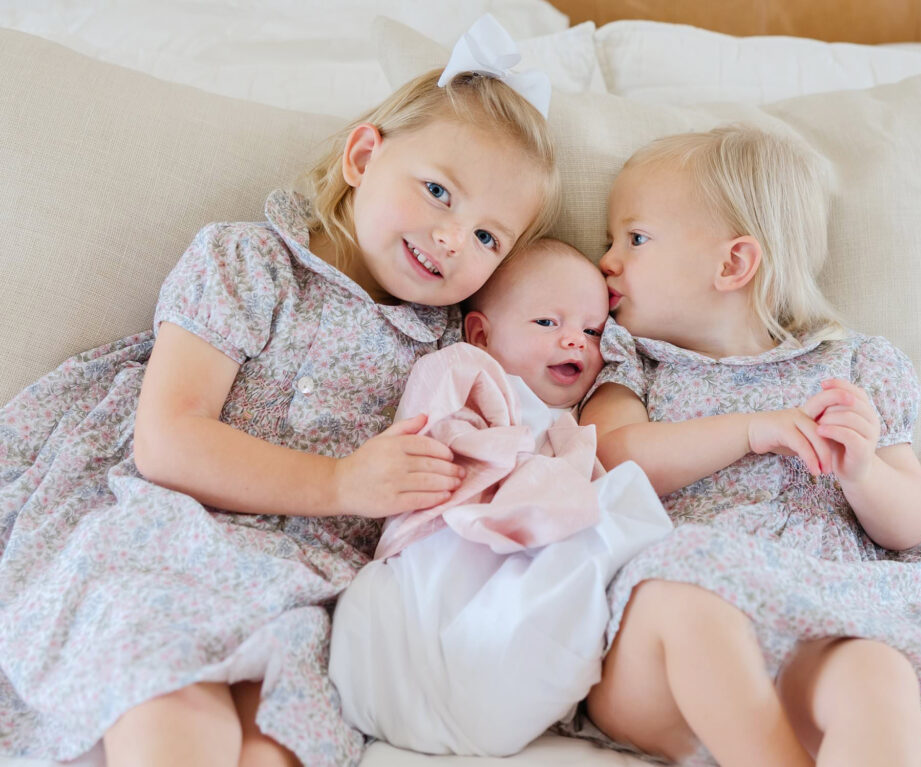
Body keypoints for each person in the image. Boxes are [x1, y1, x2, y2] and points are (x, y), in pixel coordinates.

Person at [0, 17, 561, 767]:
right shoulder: (251, 263)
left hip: (307, 580)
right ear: (364, 156)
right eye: (438, 192)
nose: (455, 238)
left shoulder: (449, 348)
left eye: (490, 238)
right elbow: (166, 439)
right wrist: (340, 480)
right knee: (173, 693)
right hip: (172, 532)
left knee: (282, 733)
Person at [576, 125, 921, 767]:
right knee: (688, 601)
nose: (607, 260)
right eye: (610, 240)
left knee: (876, 671)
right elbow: (611, 458)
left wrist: (862, 470)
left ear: (733, 264)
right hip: (666, 654)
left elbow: (911, 525)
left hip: (811, 635)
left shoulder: (855, 367)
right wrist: (751, 429)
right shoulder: (632, 362)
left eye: (634, 239)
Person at [328, 239, 673, 757]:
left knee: (616, 514)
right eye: (547, 324)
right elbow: (438, 441)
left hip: (503, 658)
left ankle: (502, 682)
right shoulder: (466, 370)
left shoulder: (573, 427)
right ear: (482, 334)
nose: (576, 342)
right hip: (432, 570)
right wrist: (536, 479)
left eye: (592, 330)